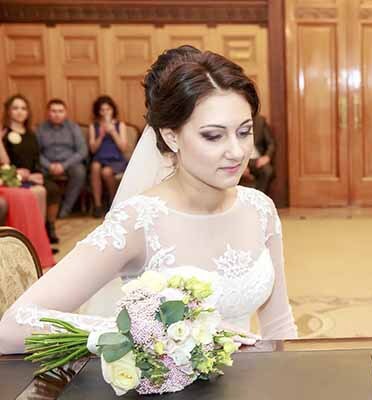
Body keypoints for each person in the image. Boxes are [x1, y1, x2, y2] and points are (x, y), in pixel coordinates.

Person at [0, 45, 298, 354]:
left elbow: (278, 325)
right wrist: (152, 331)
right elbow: (12, 327)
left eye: (244, 132)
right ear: (171, 136)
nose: (236, 152)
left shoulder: (260, 208)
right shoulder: (138, 221)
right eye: (213, 136)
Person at [1, 95, 62, 243]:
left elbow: (36, 157)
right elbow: (5, 165)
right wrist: (26, 176)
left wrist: (37, 174)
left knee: (53, 189)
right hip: (14, 177)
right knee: (38, 192)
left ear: (27, 112)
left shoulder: (31, 133)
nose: (20, 112)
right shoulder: (4, 133)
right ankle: (34, 236)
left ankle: (49, 228)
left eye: (23, 108)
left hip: (33, 174)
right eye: (15, 108)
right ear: (8, 111)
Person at [36, 99, 87, 219]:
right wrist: (49, 165)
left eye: (60, 111)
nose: (57, 114)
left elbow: (82, 151)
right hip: (47, 164)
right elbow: (36, 152)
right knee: (36, 174)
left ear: (65, 113)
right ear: (48, 113)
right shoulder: (40, 129)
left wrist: (63, 166)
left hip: (69, 163)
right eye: (53, 111)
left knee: (80, 172)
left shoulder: (73, 127)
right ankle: (45, 211)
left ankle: (65, 209)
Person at [88, 95, 129, 218]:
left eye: (108, 109)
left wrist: (113, 132)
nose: (105, 112)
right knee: (95, 167)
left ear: (112, 110)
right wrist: (101, 135)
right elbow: (93, 149)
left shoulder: (120, 125)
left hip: (116, 159)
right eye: (102, 110)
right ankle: (97, 205)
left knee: (106, 172)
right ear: (98, 112)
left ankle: (112, 201)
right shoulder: (94, 126)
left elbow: (123, 148)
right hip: (99, 157)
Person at [241, 114, 275, 193]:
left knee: (268, 171)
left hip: (257, 160)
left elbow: (271, 143)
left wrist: (267, 157)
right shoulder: (234, 121)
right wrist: (241, 165)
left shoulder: (260, 121)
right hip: (241, 159)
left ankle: (259, 196)